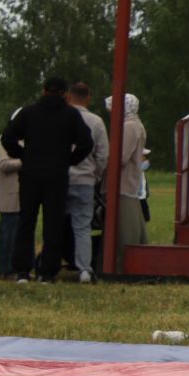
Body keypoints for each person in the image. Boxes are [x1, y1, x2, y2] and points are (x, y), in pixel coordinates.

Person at [2, 77, 94, 283]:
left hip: (31, 174)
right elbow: (86, 143)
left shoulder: (29, 112)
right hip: (57, 175)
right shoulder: (71, 115)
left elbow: (7, 137)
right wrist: (70, 160)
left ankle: (23, 271)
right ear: (64, 94)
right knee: (53, 224)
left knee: (26, 221)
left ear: (44, 91)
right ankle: (47, 272)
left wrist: (23, 155)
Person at [66, 82, 109, 282]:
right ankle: (84, 269)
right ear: (88, 98)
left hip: (59, 179)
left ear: (68, 97)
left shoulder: (60, 117)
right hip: (85, 179)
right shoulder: (96, 121)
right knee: (82, 226)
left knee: (55, 223)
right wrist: (96, 176)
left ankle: (48, 265)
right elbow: (103, 155)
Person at [109, 93, 147, 250]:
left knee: (125, 226)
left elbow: (121, 156)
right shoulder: (134, 124)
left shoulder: (129, 126)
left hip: (123, 183)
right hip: (128, 182)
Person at [0, 126, 23, 279]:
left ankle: (21, 267)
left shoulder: (30, 139)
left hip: (25, 194)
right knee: (9, 233)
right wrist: (29, 159)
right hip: (10, 195)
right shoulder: (3, 139)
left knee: (22, 233)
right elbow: (3, 164)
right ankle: (6, 269)